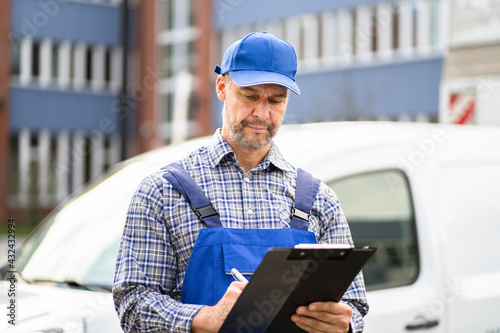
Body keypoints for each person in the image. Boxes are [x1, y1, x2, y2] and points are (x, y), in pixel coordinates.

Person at [113, 32, 368, 333]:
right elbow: (133, 304)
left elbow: (356, 307)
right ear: (222, 87)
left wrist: (345, 324)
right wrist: (204, 318)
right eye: (250, 96)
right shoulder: (162, 192)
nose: (262, 113)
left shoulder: (319, 201)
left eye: (276, 100)